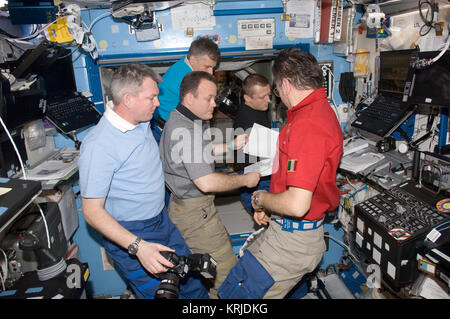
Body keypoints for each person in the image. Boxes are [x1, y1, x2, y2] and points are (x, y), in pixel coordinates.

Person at [218, 48, 344, 299]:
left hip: (292, 239)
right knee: (234, 284)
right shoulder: (317, 112)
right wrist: (271, 205)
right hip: (284, 229)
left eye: (275, 90)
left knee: (238, 298)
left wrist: (260, 198)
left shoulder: (307, 124)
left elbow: (297, 204)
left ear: (285, 84)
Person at [78, 63, 209, 299]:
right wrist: (139, 247)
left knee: (192, 286)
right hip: (133, 233)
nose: (157, 104)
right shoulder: (99, 145)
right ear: (128, 99)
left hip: (162, 221)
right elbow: (91, 211)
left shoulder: (141, 120)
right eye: (152, 98)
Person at [159, 71, 261, 298]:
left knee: (210, 273)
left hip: (189, 209)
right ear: (189, 98)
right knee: (228, 277)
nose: (215, 104)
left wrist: (231, 145)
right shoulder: (185, 129)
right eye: (209, 98)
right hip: (195, 215)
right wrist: (246, 179)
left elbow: (200, 153)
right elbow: (205, 182)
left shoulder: (185, 118)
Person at [152, 36, 220, 144]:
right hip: (165, 129)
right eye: (207, 66)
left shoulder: (185, 63)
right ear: (192, 59)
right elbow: (199, 110)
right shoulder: (184, 78)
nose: (210, 72)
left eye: (213, 68)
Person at [233, 73, 272, 214]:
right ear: (247, 98)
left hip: (263, 174)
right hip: (256, 180)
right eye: (263, 97)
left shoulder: (258, 109)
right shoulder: (247, 119)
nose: (268, 100)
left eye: (269, 95)